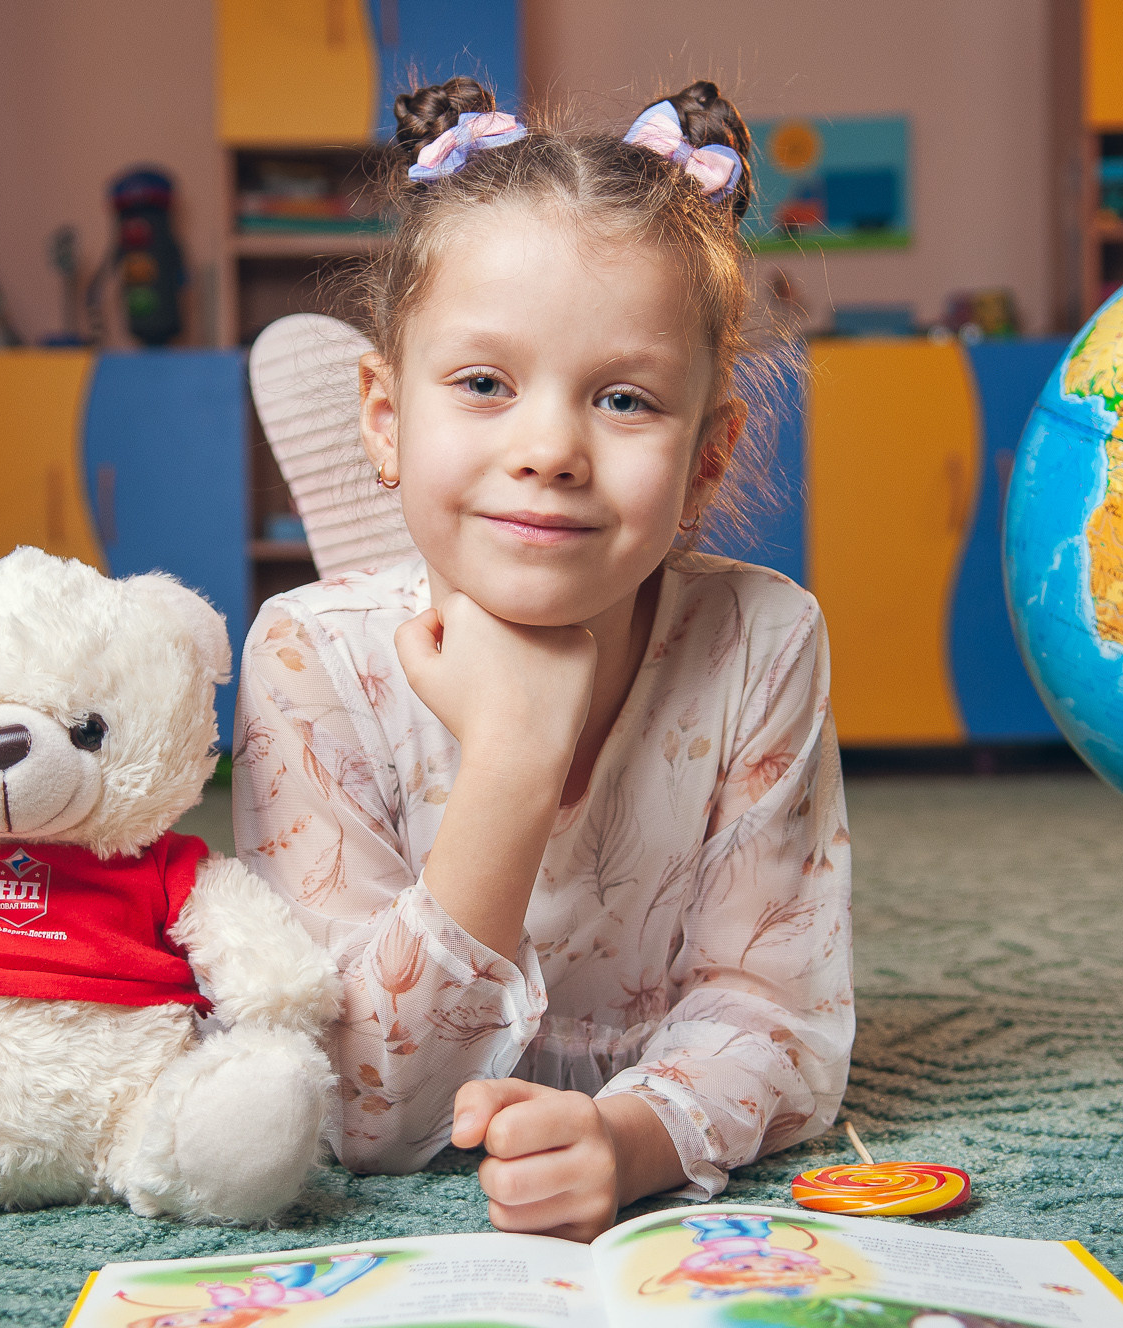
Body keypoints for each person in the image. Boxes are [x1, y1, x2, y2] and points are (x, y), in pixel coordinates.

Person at [233, 75, 853, 1242]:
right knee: (380, 639)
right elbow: (353, 1101)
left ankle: (440, 513)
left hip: (636, 1061)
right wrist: (513, 753)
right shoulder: (302, 656)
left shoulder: (763, 638)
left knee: (494, 531)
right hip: (370, 672)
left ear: (708, 459)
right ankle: (403, 549)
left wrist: (634, 1137)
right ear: (377, 411)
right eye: (483, 384)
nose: (550, 449)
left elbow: (782, 1013)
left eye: (623, 399)